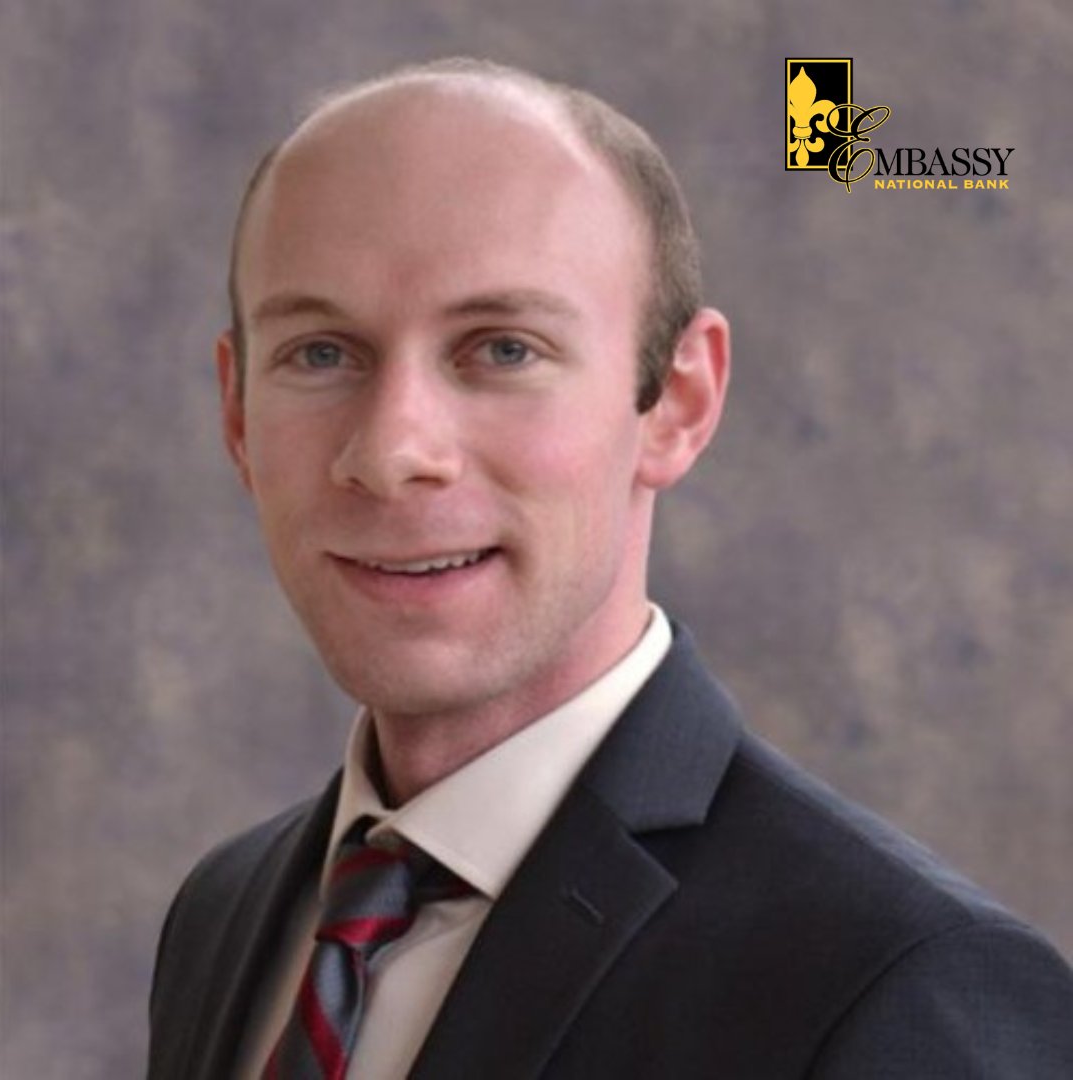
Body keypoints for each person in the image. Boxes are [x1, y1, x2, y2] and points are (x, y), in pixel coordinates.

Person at [148, 58, 1073, 1079]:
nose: (392, 451)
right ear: (237, 413)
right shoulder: (225, 912)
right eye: (321, 353)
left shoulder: (905, 984)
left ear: (677, 403)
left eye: (502, 349)